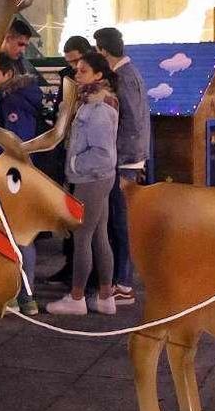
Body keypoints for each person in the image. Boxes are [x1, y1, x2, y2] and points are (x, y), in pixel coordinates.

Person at [46, 52, 118, 316]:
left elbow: (101, 152)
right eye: (77, 70)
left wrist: (74, 165)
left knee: (83, 236)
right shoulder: (90, 103)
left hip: (91, 178)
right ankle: (105, 295)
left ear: (98, 75)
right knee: (98, 235)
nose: (77, 74)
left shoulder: (98, 108)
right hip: (97, 177)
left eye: (83, 71)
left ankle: (77, 297)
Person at [0, 52, 43, 316]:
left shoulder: (12, 102)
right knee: (20, 234)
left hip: (9, 176)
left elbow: (14, 142)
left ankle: (12, 296)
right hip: (15, 175)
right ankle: (25, 297)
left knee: (10, 234)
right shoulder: (12, 98)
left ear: (8, 74)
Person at [94, 27, 150, 305]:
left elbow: (132, 121)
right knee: (119, 220)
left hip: (125, 159)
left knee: (120, 221)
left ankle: (124, 284)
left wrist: (117, 154)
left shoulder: (125, 78)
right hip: (130, 157)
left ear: (103, 51)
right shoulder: (131, 74)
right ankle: (122, 280)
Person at [42, 36, 94, 286]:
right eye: (70, 62)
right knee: (68, 210)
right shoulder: (67, 76)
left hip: (86, 160)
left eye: (77, 62)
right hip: (66, 150)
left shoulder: (97, 85)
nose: (74, 68)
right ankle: (69, 262)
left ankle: (87, 275)